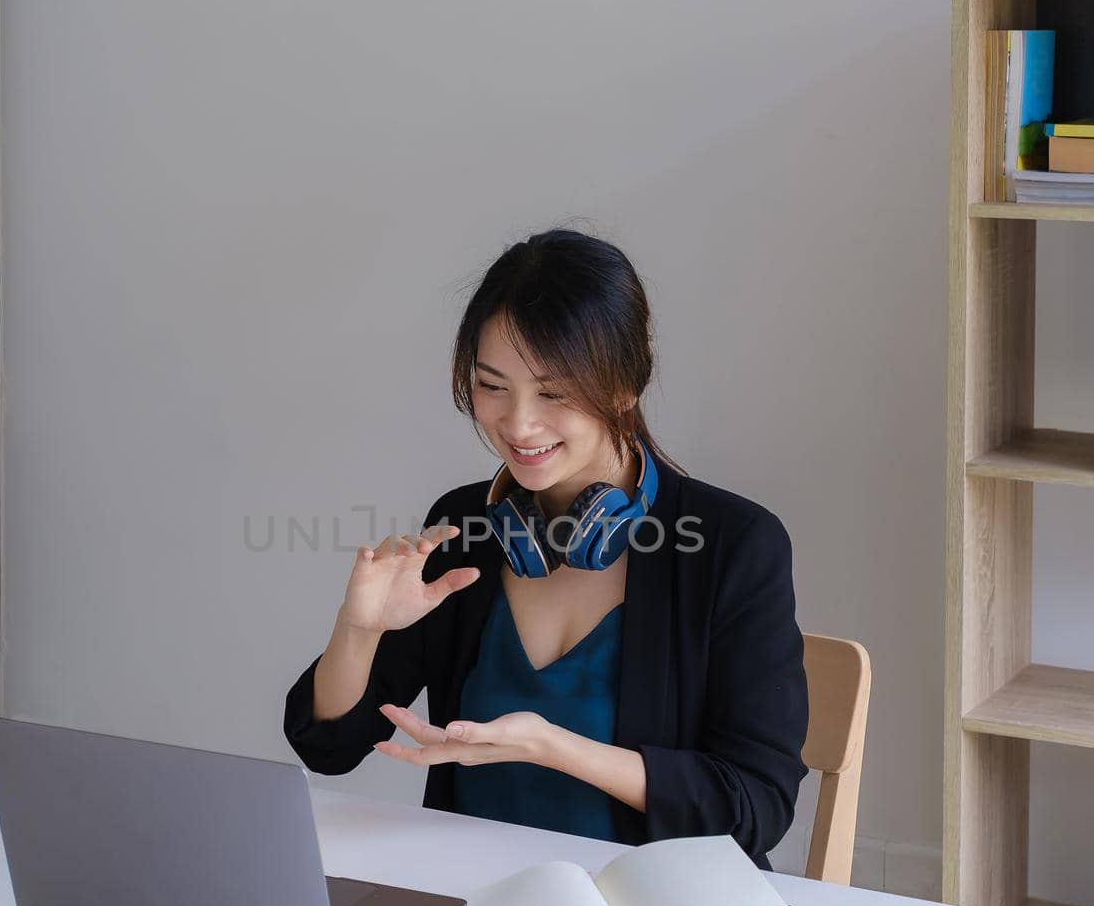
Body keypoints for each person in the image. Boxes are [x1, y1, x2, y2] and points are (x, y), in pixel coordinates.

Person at [283, 228, 809, 869]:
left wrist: (550, 747)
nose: (517, 423)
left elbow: (755, 808)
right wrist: (358, 630)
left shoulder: (733, 545)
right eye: (492, 385)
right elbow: (330, 749)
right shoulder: (466, 526)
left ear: (624, 384)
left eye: (553, 392)